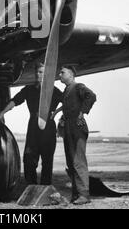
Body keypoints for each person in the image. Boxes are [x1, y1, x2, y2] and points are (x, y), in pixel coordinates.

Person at [0, 63, 62, 185]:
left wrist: (56, 113)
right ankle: (31, 186)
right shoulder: (29, 89)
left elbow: (68, 103)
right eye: (37, 72)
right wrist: (1, 113)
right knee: (29, 159)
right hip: (33, 126)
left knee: (47, 159)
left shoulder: (54, 91)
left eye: (41, 72)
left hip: (48, 127)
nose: (38, 74)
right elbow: (15, 100)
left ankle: (45, 187)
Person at [51, 65, 97, 205]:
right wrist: (57, 113)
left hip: (77, 128)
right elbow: (67, 106)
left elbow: (91, 96)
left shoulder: (78, 87)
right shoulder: (67, 90)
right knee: (71, 163)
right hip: (69, 130)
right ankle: (77, 194)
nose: (59, 74)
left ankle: (84, 195)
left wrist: (82, 113)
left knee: (78, 162)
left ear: (71, 75)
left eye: (62, 72)